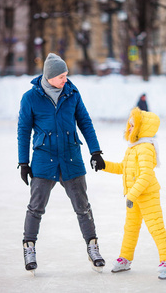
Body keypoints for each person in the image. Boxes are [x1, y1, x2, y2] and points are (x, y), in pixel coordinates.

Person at [18, 53, 105, 274]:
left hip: (71, 158)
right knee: (36, 208)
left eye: (66, 75)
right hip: (43, 160)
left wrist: (95, 151)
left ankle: (93, 246)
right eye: (61, 76)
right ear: (49, 77)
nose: (65, 79)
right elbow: (23, 131)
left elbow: (85, 122)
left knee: (83, 208)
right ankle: (29, 247)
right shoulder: (31, 98)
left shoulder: (72, 93)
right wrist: (23, 162)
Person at [100, 107, 166, 279]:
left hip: (147, 195)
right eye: (128, 125)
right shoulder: (133, 148)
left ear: (141, 128)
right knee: (130, 229)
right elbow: (123, 168)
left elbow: (146, 174)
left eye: (132, 126)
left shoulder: (145, 148)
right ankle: (125, 258)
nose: (128, 129)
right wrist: (103, 165)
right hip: (134, 196)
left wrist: (131, 195)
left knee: (156, 227)